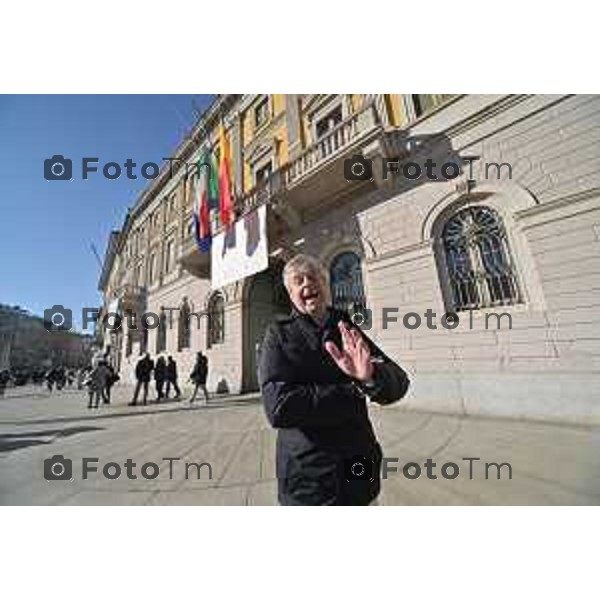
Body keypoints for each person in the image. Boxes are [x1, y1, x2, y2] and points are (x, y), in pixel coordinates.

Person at [258, 254, 410, 506]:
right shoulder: (278, 335)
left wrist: (371, 377)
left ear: (326, 285)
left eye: (314, 277)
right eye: (298, 280)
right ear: (290, 293)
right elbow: (279, 408)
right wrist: (355, 391)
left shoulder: (346, 327)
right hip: (308, 478)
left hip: (360, 469)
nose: (307, 283)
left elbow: (399, 383)